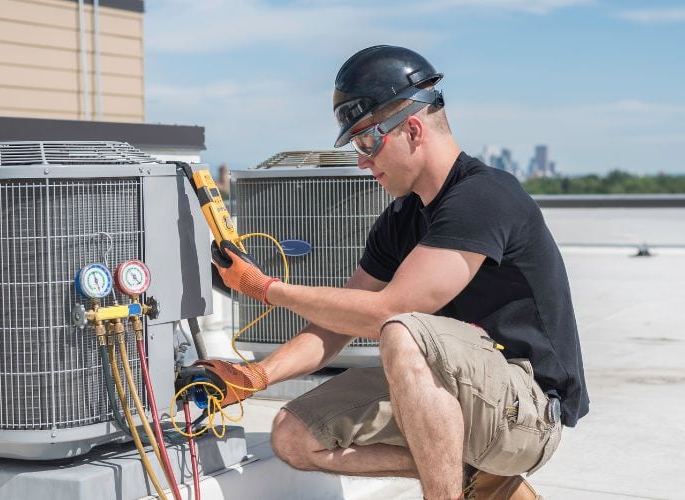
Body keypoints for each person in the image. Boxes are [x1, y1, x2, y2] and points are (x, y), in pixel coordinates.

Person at [194, 45, 589, 499]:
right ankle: (474, 478)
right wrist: (258, 376)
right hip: (461, 396)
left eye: (366, 143)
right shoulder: (402, 218)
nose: (363, 162)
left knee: (401, 329)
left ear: (413, 130)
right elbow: (334, 327)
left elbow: (390, 310)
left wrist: (265, 289)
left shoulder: (484, 197)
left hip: (530, 412)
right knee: (294, 434)